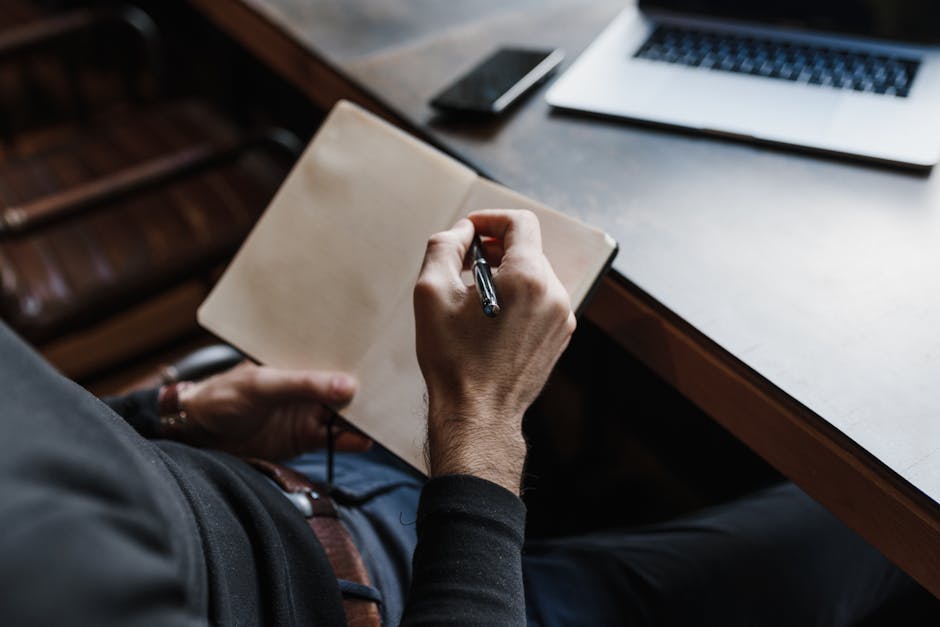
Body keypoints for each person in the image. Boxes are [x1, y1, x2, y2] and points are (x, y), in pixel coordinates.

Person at [0, 210, 918, 626]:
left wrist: (170, 414)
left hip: (298, 493)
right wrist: (481, 420)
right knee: (883, 514)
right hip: (411, 595)